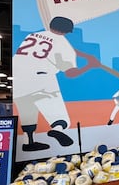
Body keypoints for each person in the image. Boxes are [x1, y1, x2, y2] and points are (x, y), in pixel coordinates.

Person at [13, 16, 99, 151]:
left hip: (17, 79)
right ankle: (57, 129)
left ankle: (29, 143)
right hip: (41, 78)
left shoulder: (32, 36)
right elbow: (70, 73)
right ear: (67, 31)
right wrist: (89, 66)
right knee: (60, 117)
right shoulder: (64, 45)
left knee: (28, 112)